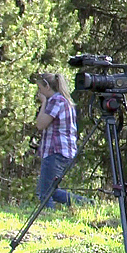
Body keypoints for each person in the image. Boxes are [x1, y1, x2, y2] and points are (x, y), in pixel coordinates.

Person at [35, 73, 89, 209]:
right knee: (51, 190)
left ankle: (48, 215)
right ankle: (86, 203)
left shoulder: (55, 101)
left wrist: (44, 103)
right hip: (63, 152)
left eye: (40, 88)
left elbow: (40, 124)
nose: (39, 92)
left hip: (55, 151)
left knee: (44, 193)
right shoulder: (64, 100)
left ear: (47, 87)